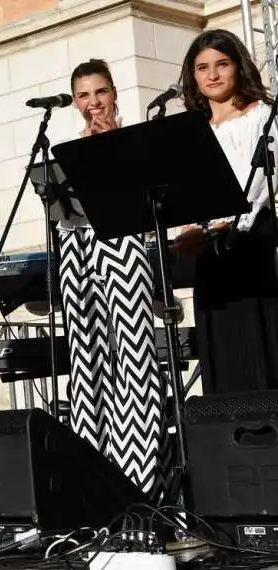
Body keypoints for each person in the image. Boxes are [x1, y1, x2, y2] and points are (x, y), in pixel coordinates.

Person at [56, 59, 165, 497]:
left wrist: (113, 147)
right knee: (85, 361)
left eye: (99, 92)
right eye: (83, 95)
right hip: (76, 248)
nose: (92, 103)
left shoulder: (134, 139)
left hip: (122, 245)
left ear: (114, 93)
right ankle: (95, 482)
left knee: (133, 356)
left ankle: (139, 483)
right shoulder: (67, 149)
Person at [173, 29, 278, 394]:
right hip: (207, 254)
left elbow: (262, 187)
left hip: (251, 247)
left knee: (257, 350)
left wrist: (223, 226)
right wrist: (189, 230)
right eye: (202, 68)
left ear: (238, 67)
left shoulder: (262, 117)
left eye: (222, 64)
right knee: (220, 354)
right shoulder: (191, 130)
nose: (212, 75)